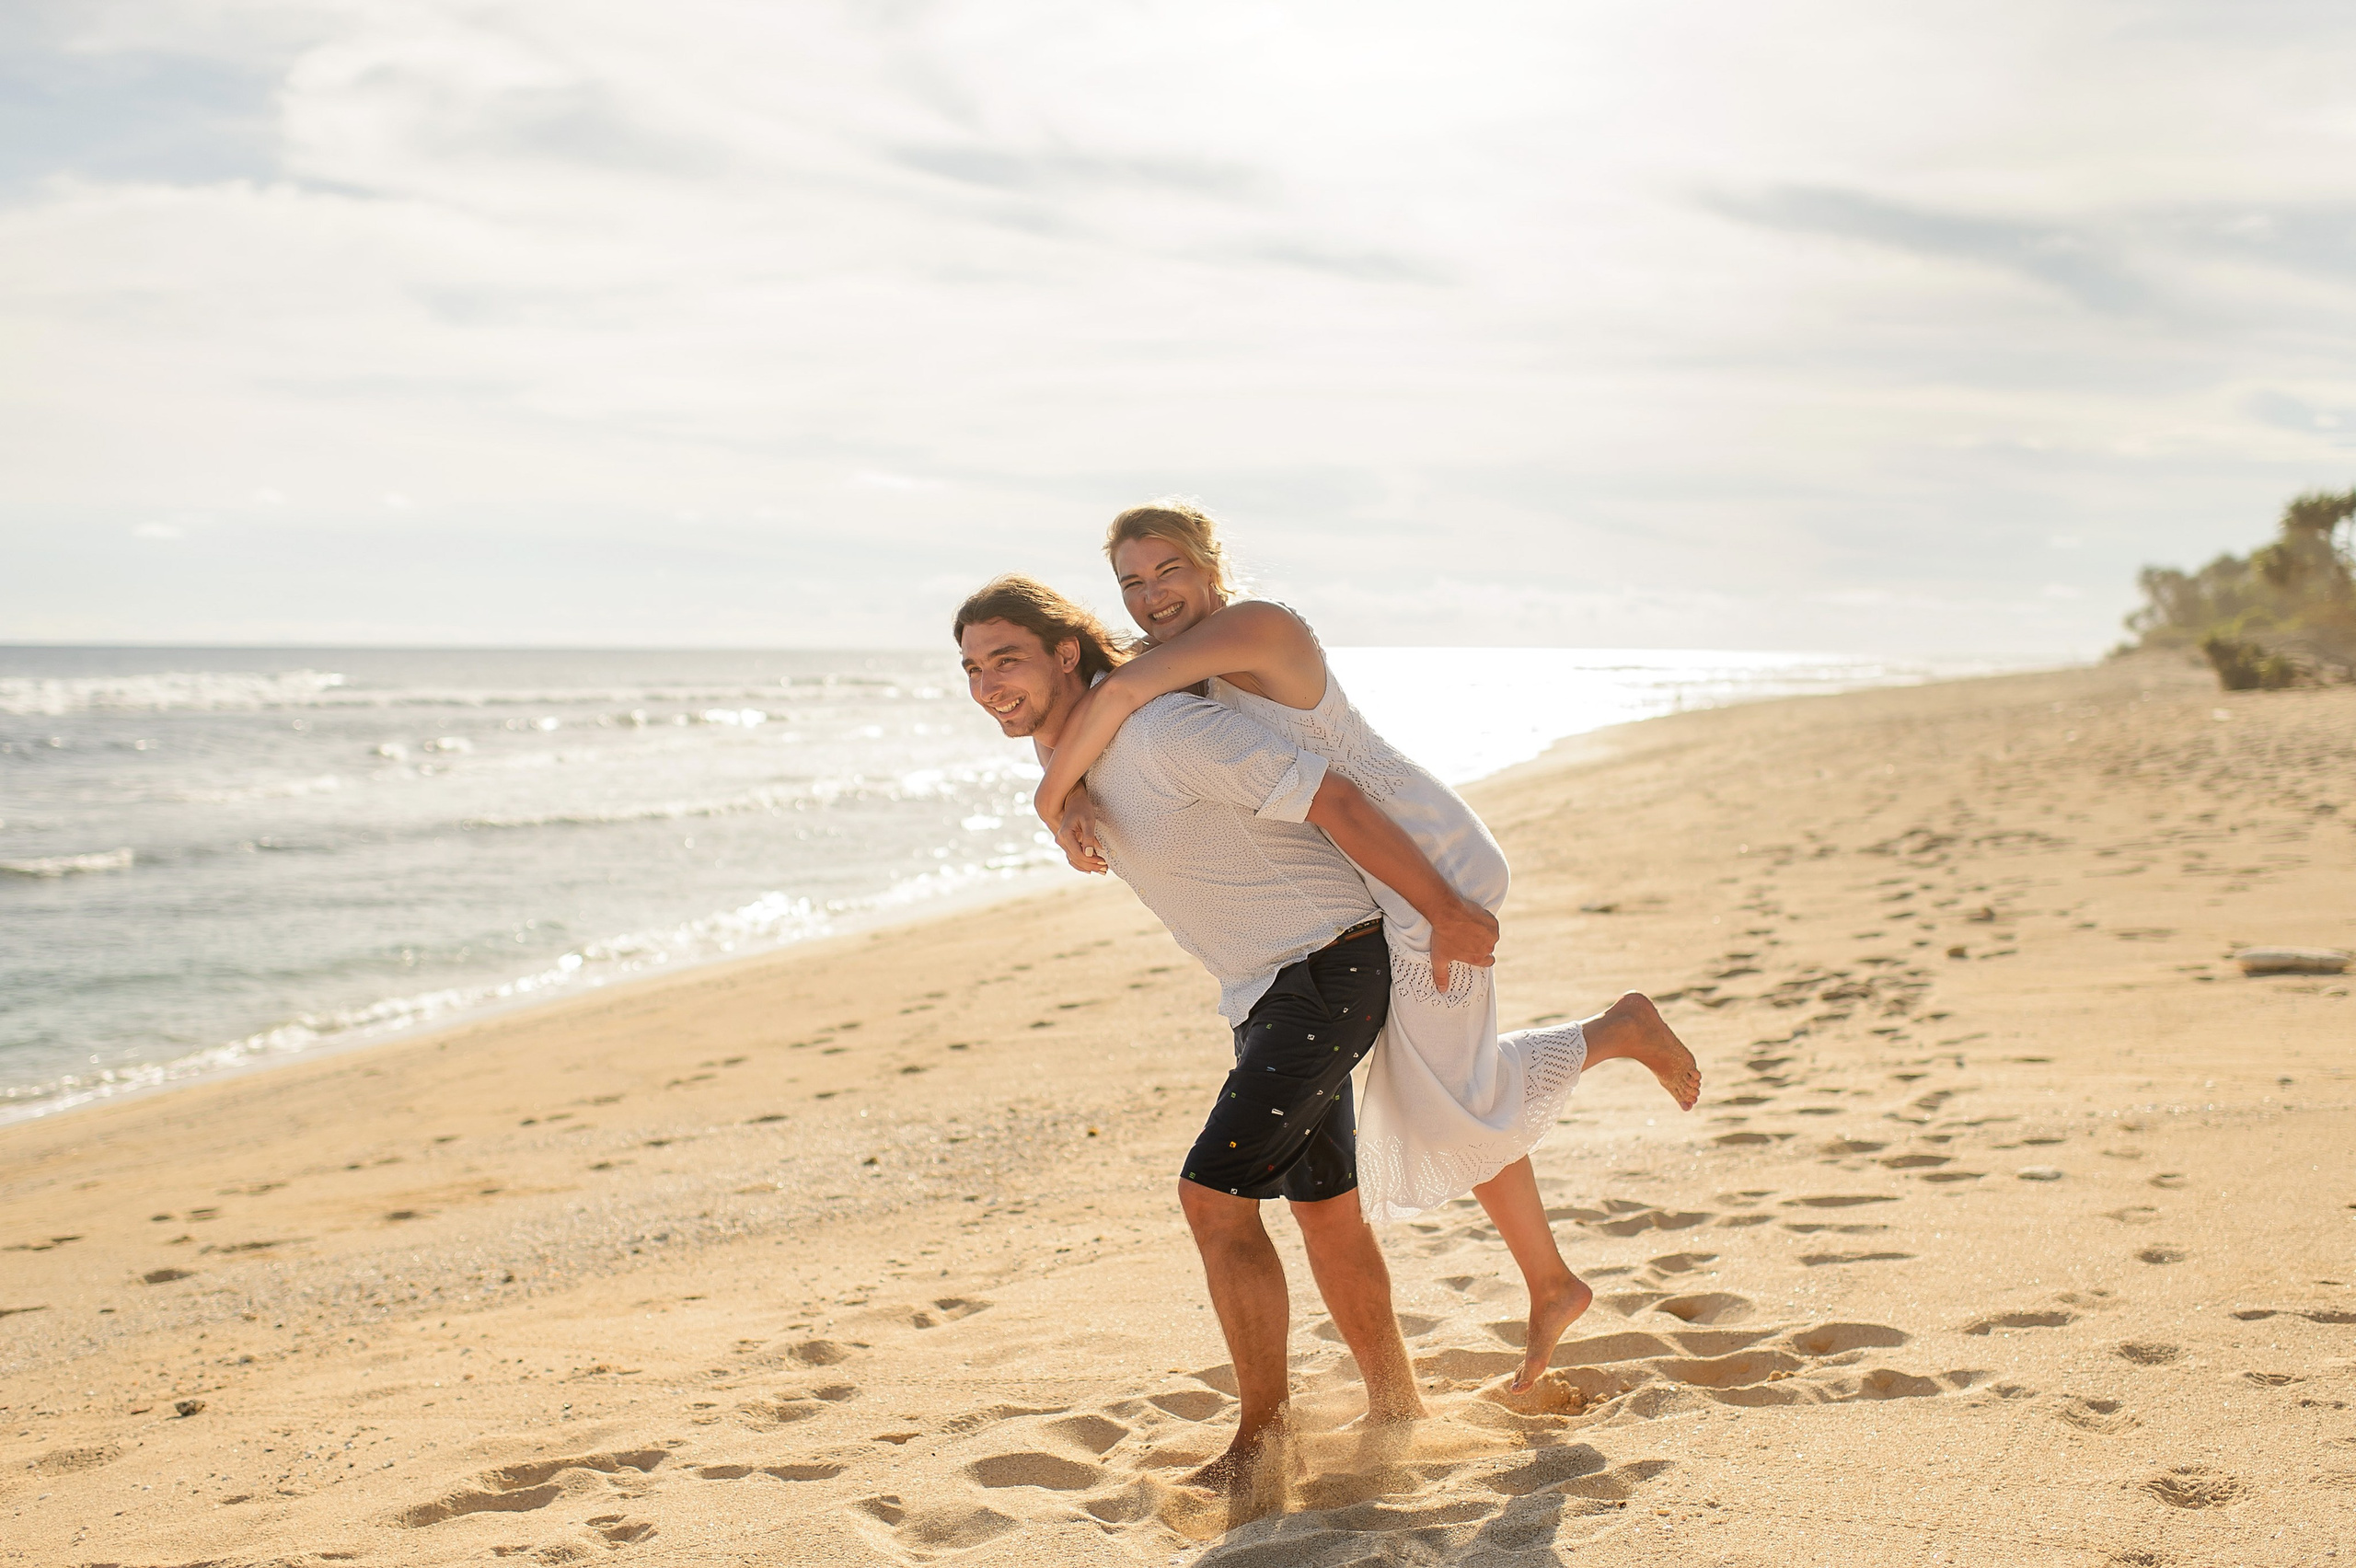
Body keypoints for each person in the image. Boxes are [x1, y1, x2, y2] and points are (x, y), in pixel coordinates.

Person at [1031, 501, 1703, 1391]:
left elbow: (1111, 697)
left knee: (1448, 1094)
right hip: (1377, 871)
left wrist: (1048, 802)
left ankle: (1616, 1035)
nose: (1152, 595)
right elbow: (1096, 715)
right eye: (1132, 583)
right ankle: (1551, 1282)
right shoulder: (1180, 664)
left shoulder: (1258, 628)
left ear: (1209, 566)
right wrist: (1078, 793)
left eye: (1168, 571)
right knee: (1447, 1091)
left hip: (1424, 857)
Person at [955, 574, 1491, 1491]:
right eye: (971, 669)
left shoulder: (1167, 732)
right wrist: (1064, 793)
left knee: (1212, 1198)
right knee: (1325, 1210)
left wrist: (1445, 909)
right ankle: (1398, 1406)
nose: (987, 684)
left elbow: (1336, 800)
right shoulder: (1074, 752)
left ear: (1066, 654)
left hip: (1326, 968)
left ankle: (1261, 1443)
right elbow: (1065, 750)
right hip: (1264, 992)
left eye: (1006, 659)